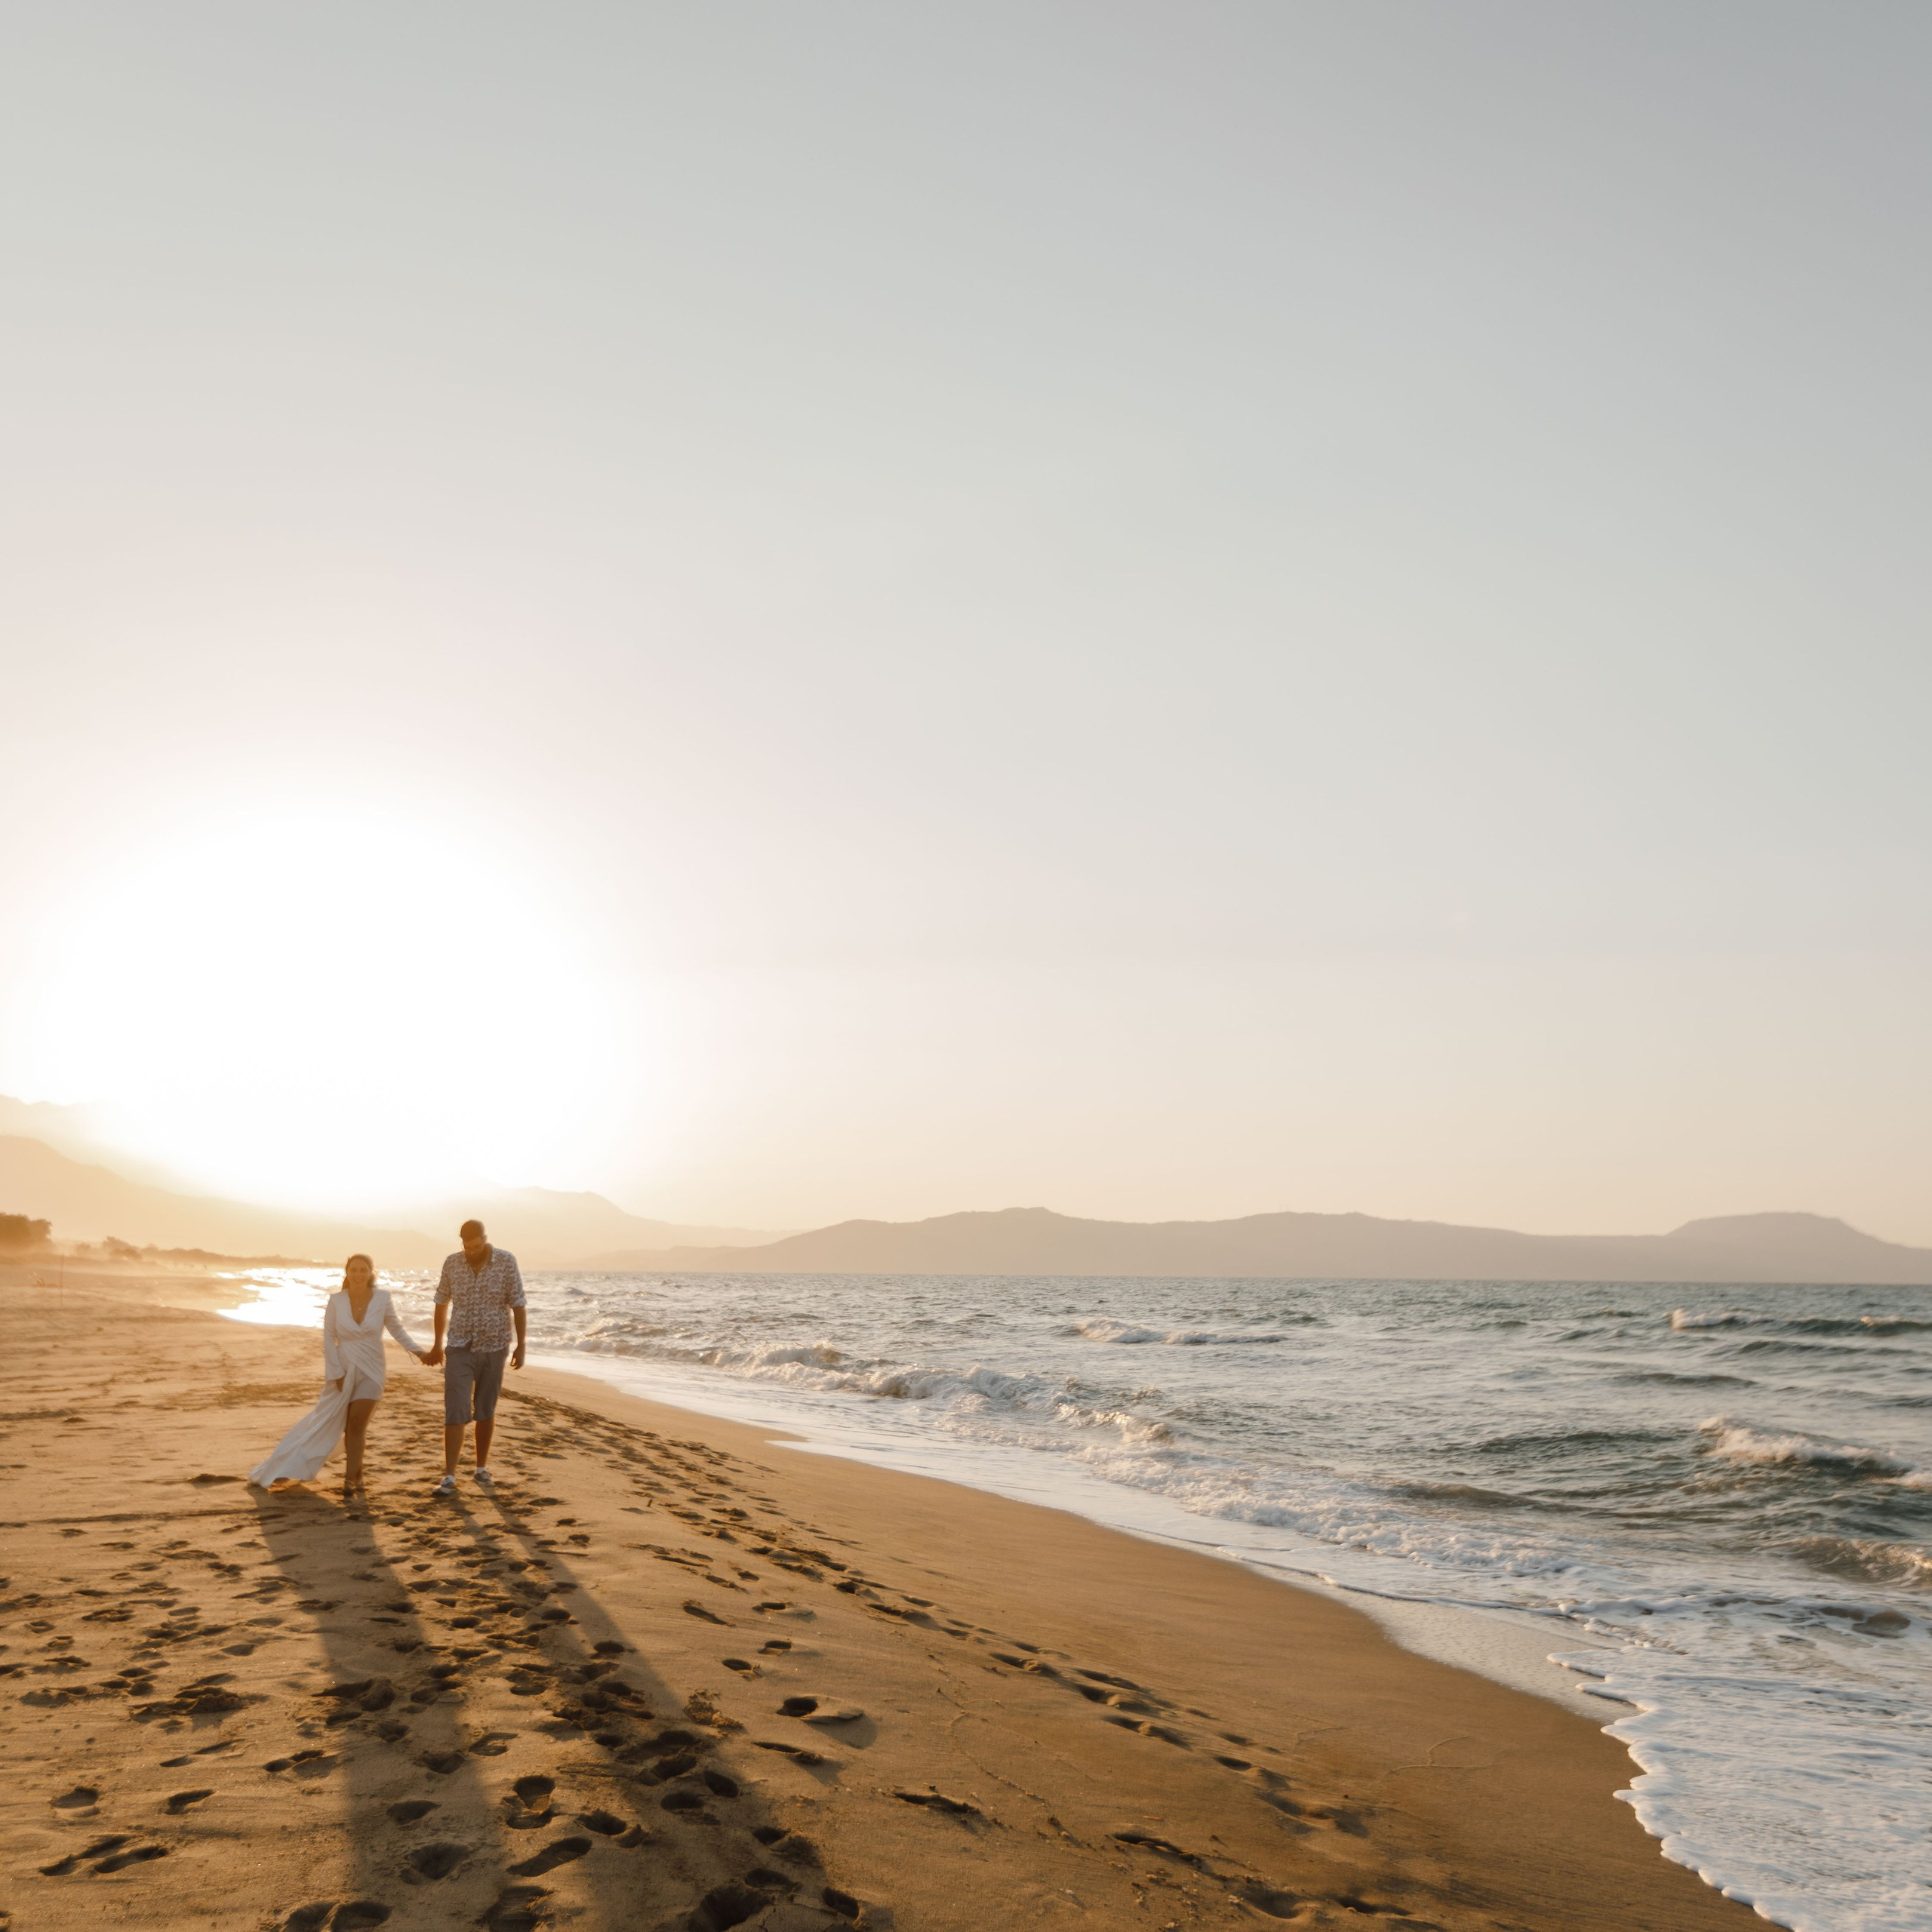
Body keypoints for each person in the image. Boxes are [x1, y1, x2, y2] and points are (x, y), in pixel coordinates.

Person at [248, 1254, 428, 1494]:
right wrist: (336, 1373)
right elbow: (328, 1338)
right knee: (334, 1423)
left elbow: (397, 1329)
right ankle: (356, 1475)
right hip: (343, 1369)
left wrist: (419, 1352)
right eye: (354, 1270)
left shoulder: (383, 1298)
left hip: (373, 1369)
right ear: (347, 1272)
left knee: (357, 1424)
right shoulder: (336, 1301)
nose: (358, 1274)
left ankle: (349, 1480)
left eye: (363, 1270)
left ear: (371, 1273)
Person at [425, 1218, 525, 1496]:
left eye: (475, 1247)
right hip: (459, 1347)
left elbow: (518, 1304)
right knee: (455, 1409)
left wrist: (521, 1345)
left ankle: (481, 1469)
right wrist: (437, 1344)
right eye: (466, 1247)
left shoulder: (506, 1262)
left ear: (485, 1239)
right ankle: (449, 1477)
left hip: (494, 1347)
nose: (471, 1252)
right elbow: (441, 1302)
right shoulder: (452, 1263)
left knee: (485, 1410)